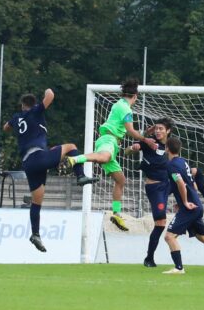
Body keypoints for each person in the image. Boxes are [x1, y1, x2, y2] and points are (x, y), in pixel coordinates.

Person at [4, 88, 98, 252]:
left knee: (37, 201)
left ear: (21, 106)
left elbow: (6, 128)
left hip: (28, 163)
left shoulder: (16, 117)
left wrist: (14, 126)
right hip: (38, 158)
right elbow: (50, 95)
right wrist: (47, 89)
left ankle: (35, 234)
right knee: (71, 147)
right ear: (33, 105)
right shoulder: (36, 111)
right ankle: (80, 175)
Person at [124, 117, 204, 267]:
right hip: (157, 187)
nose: (158, 131)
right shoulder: (148, 141)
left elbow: (183, 174)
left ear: (168, 131)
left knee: (195, 171)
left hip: (170, 182)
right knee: (160, 223)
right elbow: (127, 151)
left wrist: (185, 199)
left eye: (161, 129)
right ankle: (149, 258)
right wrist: (132, 148)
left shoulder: (172, 146)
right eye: (157, 128)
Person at [65, 78, 157, 231]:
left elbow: (129, 131)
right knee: (104, 157)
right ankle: (75, 159)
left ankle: (116, 213)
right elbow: (130, 131)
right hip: (109, 140)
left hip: (112, 142)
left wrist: (144, 133)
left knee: (120, 180)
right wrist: (146, 139)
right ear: (135, 96)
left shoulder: (118, 104)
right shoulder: (127, 110)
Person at [161, 137, 204, 275]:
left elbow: (180, 183)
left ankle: (179, 268)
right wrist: (182, 200)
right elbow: (192, 184)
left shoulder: (171, 165)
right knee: (202, 237)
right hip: (196, 206)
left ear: (167, 148)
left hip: (189, 208)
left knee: (169, 236)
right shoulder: (183, 162)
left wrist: (184, 202)